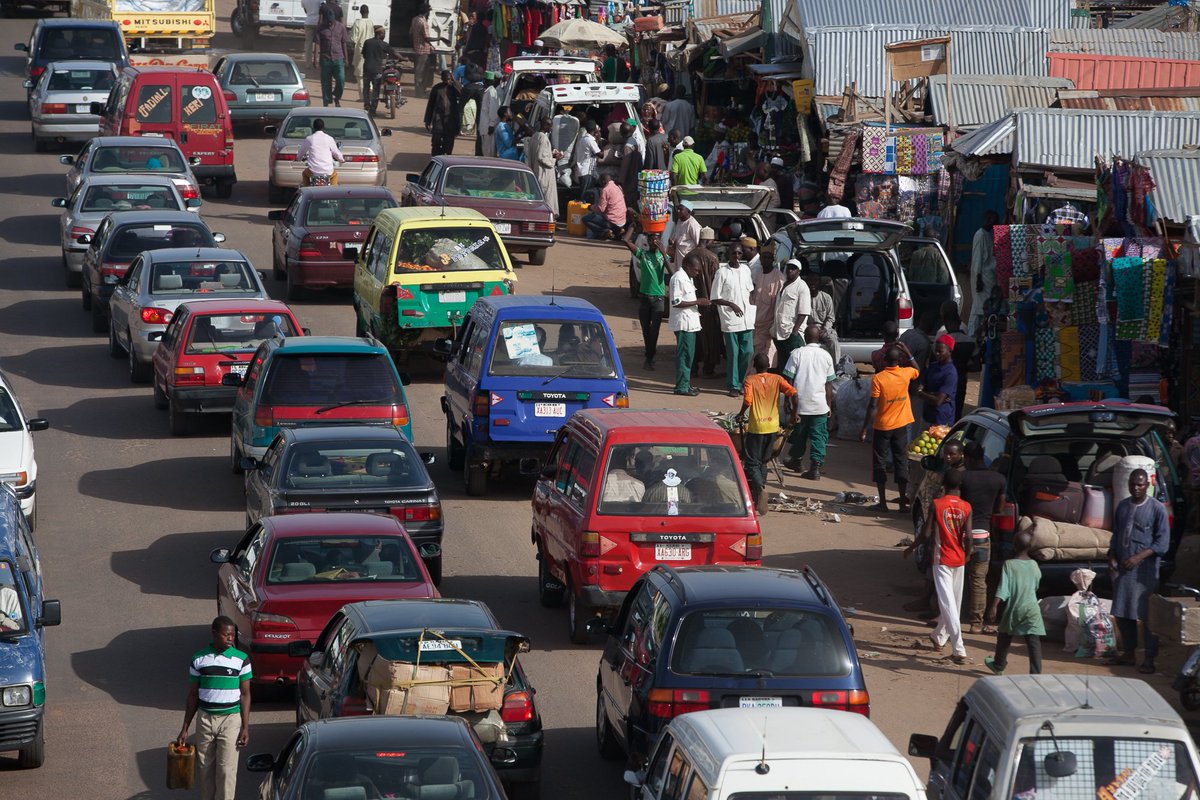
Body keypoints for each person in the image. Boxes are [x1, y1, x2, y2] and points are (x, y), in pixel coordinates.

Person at [177, 616, 252, 800]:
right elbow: (193, 695)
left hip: (231, 720)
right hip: (205, 719)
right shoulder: (199, 659)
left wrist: (245, 727)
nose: (230, 639)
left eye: (233, 635)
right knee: (205, 769)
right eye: (226, 635)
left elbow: (245, 694)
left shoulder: (242, 660)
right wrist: (185, 728)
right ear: (214, 634)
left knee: (226, 771)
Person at [1109, 469, 1170, 673]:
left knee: (1147, 616)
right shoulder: (1123, 506)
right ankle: (1129, 653)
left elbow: (1162, 543)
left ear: (1147, 486)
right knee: (1122, 612)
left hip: (1145, 572)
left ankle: (1149, 658)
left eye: (1140, 484)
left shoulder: (1158, 509)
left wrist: (1138, 557)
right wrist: (1112, 555)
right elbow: (1116, 533)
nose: (1136, 488)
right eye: (1133, 484)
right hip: (1123, 570)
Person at [910, 468, 972, 665]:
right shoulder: (967, 507)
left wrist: (911, 548)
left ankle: (959, 648)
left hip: (942, 559)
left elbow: (926, 533)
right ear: (960, 485)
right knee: (955, 601)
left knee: (947, 604)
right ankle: (939, 636)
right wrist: (968, 554)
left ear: (943, 484)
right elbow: (969, 536)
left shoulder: (937, 504)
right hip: (959, 558)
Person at [860, 346, 919, 513]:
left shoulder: (878, 378)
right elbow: (917, 369)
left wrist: (864, 428)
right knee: (901, 460)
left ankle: (883, 503)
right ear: (899, 361)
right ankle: (902, 503)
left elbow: (873, 405)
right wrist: (909, 353)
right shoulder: (906, 373)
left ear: (885, 361)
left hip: (883, 426)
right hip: (901, 425)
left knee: (879, 461)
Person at [736, 353, 797, 514]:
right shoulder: (777, 379)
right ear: (768, 364)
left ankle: (760, 489)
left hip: (757, 427)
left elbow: (748, 400)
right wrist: (793, 414)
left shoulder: (750, 380)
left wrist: (741, 413)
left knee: (752, 462)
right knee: (764, 461)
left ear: (755, 365)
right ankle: (760, 492)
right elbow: (794, 393)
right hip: (772, 427)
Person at [960, 441, 1007, 634]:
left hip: (962, 536)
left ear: (967, 458)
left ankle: (947, 617)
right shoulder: (998, 479)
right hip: (983, 536)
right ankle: (975, 623)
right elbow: (1001, 509)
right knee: (979, 580)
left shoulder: (963, 478)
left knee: (953, 578)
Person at [985, 529, 1044, 674]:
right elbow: (1036, 585)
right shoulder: (1035, 565)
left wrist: (994, 606)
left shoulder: (1009, 564)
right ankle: (1036, 674)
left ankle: (998, 665)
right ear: (1030, 547)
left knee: (1004, 636)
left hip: (1015, 608)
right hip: (1032, 609)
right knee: (1033, 642)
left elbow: (1003, 588)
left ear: (1014, 545)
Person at [782, 324, 835, 479]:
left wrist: (787, 401)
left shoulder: (797, 353)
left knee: (799, 433)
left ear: (805, 337)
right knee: (819, 436)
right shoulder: (826, 356)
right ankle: (815, 467)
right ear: (818, 338)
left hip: (799, 403)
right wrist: (829, 405)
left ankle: (797, 460)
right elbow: (829, 384)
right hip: (819, 405)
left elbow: (788, 380)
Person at [711, 244, 756, 396]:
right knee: (733, 353)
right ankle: (733, 386)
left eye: (739, 253)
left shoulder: (746, 270)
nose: (736, 256)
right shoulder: (722, 273)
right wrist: (731, 304)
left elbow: (750, 291)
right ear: (728, 254)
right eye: (733, 253)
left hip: (746, 319)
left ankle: (741, 382)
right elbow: (715, 298)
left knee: (748, 352)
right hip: (730, 320)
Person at [623, 226, 668, 371]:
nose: (653, 241)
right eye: (651, 239)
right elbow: (625, 240)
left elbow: (672, 271)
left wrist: (664, 252)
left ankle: (650, 358)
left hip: (659, 300)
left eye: (656, 238)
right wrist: (633, 224)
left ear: (660, 241)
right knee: (645, 331)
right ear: (647, 241)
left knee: (654, 331)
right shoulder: (642, 254)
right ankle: (649, 355)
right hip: (645, 299)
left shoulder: (663, 256)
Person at [669, 253, 706, 396]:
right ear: (688, 266)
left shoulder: (687, 278)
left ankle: (686, 383)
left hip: (691, 324)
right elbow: (676, 302)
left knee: (689, 355)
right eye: (696, 270)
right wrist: (698, 302)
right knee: (684, 355)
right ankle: (681, 387)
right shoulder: (678, 278)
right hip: (683, 324)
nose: (697, 273)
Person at [693, 226, 723, 378]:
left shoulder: (689, 256)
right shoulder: (713, 258)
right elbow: (717, 281)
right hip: (710, 303)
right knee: (711, 336)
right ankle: (708, 368)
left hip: (693, 302)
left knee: (695, 336)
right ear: (709, 240)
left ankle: (693, 368)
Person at [773, 258, 811, 368]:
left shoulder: (802, 287)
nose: (790, 270)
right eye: (789, 267)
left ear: (799, 271)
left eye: (794, 268)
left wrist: (794, 333)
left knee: (795, 366)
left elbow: (803, 312)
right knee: (783, 364)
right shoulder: (783, 284)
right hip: (779, 332)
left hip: (792, 333)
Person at [941, 301, 975, 419]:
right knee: (957, 412)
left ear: (944, 319)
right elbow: (976, 366)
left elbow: (934, 363)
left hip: (944, 382)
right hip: (961, 380)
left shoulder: (942, 340)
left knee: (943, 414)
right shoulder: (970, 341)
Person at [968, 210, 999, 336]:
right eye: (995, 220)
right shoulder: (980, 235)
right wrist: (978, 279)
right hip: (983, 278)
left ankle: (978, 334)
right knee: (978, 308)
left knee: (983, 308)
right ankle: (972, 335)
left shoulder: (987, 235)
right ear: (989, 219)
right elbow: (977, 259)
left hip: (988, 277)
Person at [313, 7, 350, 107]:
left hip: (338, 58)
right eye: (328, 21)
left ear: (334, 19)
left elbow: (344, 43)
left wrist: (346, 58)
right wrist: (315, 59)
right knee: (325, 83)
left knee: (341, 80)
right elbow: (317, 44)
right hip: (325, 59)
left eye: (331, 21)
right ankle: (326, 102)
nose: (329, 23)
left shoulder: (341, 27)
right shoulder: (320, 28)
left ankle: (337, 96)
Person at [752, 254, 784, 366]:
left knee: (768, 353)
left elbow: (780, 301)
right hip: (756, 321)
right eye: (764, 257)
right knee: (756, 352)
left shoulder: (778, 276)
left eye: (769, 258)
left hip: (770, 322)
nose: (766, 260)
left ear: (773, 260)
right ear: (760, 260)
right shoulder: (759, 274)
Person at [919, 335, 958, 426]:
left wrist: (921, 393)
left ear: (950, 351)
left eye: (940, 351)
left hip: (942, 420)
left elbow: (937, 401)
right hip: (928, 415)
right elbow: (923, 385)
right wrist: (933, 394)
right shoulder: (933, 366)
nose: (937, 354)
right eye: (935, 351)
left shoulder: (950, 373)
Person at [524, 117, 560, 216]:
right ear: (545, 125)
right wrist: (555, 159)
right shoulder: (543, 138)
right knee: (547, 198)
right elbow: (542, 157)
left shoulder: (535, 136)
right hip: (544, 173)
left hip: (536, 172)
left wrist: (551, 154)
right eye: (550, 125)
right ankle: (548, 218)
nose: (551, 128)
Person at [424, 69, 461, 156]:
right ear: (442, 79)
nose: (447, 81)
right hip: (438, 119)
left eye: (448, 79)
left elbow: (461, 93)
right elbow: (430, 105)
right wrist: (427, 120)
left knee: (449, 142)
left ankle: (446, 157)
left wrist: (454, 82)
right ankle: (436, 158)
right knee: (436, 141)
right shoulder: (436, 88)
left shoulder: (454, 88)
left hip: (451, 119)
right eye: (445, 79)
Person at [359, 25, 393, 113]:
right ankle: (373, 109)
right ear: (380, 33)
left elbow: (364, 55)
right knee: (376, 90)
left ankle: (366, 104)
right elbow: (394, 53)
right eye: (384, 33)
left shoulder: (367, 42)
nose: (384, 35)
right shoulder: (383, 44)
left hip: (367, 69)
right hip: (377, 70)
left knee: (366, 88)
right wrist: (404, 58)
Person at [297, 118, 343, 183]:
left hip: (312, 171)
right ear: (323, 127)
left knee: (305, 174)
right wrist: (342, 160)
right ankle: (333, 191)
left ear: (313, 127)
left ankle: (306, 190)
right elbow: (336, 153)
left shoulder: (309, 139)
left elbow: (301, 152)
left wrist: (298, 159)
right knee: (334, 175)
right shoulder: (329, 138)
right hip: (328, 171)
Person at [807, 272, 839, 364]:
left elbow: (830, 317)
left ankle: (834, 369)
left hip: (823, 328)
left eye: (815, 281)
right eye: (810, 281)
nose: (812, 283)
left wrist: (824, 329)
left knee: (833, 340)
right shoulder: (802, 297)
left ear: (819, 283)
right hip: (807, 328)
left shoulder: (826, 297)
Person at [583, 173, 626, 240]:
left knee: (586, 219)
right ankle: (617, 230)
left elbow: (601, 209)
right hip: (622, 220)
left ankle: (605, 232)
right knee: (599, 216)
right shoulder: (618, 187)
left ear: (603, 181)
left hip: (612, 221)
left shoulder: (605, 190)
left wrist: (590, 207)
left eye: (600, 181)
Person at [668, 200, 700, 273]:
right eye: (678, 209)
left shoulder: (692, 224)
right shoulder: (679, 221)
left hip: (688, 260)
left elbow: (698, 244)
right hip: (678, 258)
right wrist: (672, 242)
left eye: (681, 209)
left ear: (688, 212)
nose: (678, 211)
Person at [617, 121, 643, 208]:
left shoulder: (627, 146)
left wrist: (620, 181)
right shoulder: (634, 140)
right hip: (637, 171)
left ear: (621, 133)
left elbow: (625, 166)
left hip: (631, 175)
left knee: (629, 199)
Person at [573, 120, 601, 199]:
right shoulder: (590, 140)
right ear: (595, 129)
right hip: (586, 171)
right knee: (585, 194)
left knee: (585, 193)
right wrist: (599, 139)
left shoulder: (584, 139)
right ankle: (582, 210)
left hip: (583, 170)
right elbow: (600, 154)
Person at [410, 5, 433, 97]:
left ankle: (419, 91)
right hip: (423, 50)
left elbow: (410, 32)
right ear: (427, 11)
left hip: (417, 48)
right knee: (421, 72)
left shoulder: (414, 19)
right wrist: (439, 39)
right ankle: (420, 93)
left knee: (418, 71)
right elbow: (427, 38)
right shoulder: (423, 22)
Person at [476, 71, 500, 157]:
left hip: (488, 127)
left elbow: (493, 110)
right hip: (484, 127)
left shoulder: (491, 92)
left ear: (491, 81)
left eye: (486, 81)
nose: (484, 82)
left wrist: (491, 125)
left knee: (489, 152)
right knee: (485, 151)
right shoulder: (487, 91)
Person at [348, 4, 373, 84]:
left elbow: (353, 39)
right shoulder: (371, 22)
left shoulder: (357, 23)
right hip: (370, 50)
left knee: (360, 75)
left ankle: (363, 95)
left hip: (360, 50)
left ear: (360, 12)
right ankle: (370, 91)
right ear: (368, 12)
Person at [302, 0, 322, 65]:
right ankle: (317, 61)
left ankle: (308, 63)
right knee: (318, 42)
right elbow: (322, 9)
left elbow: (305, 10)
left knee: (308, 43)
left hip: (308, 21)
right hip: (317, 22)